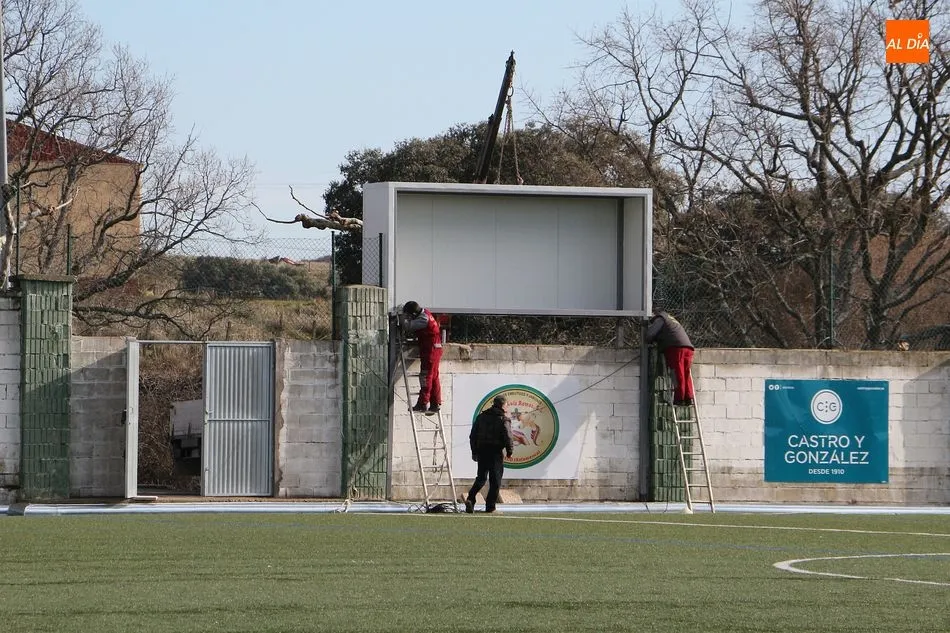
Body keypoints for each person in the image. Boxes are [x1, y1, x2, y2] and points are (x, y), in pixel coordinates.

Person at [465, 394, 514, 514]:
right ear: (503, 405)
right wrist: (510, 451)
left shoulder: (481, 417)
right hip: (495, 453)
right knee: (495, 481)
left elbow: (472, 436)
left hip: (482, 451)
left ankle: (470, 498)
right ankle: (490, 507)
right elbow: (508, 437)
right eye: (506, 404)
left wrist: (474, 451)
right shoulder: (503, 419)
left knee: (481, 478)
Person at [644, 306, 695, 406]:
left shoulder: (660, 318)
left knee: (676, 373)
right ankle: (688, 397)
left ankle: (679, 399)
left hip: (676, 348)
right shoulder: (670, 319)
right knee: (686, 374)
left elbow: (650, 334)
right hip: (688, 348)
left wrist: (649, 340)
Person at [401, 300, 443, 414]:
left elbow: (408, 326)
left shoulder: (423, 319)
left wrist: (402, 316)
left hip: (430, 351)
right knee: (433, 377)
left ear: (414, 314)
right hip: (435, 349)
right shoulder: (426, 314)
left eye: (410, 315)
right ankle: (435, 403)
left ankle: (422, 403)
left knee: (426, 377)